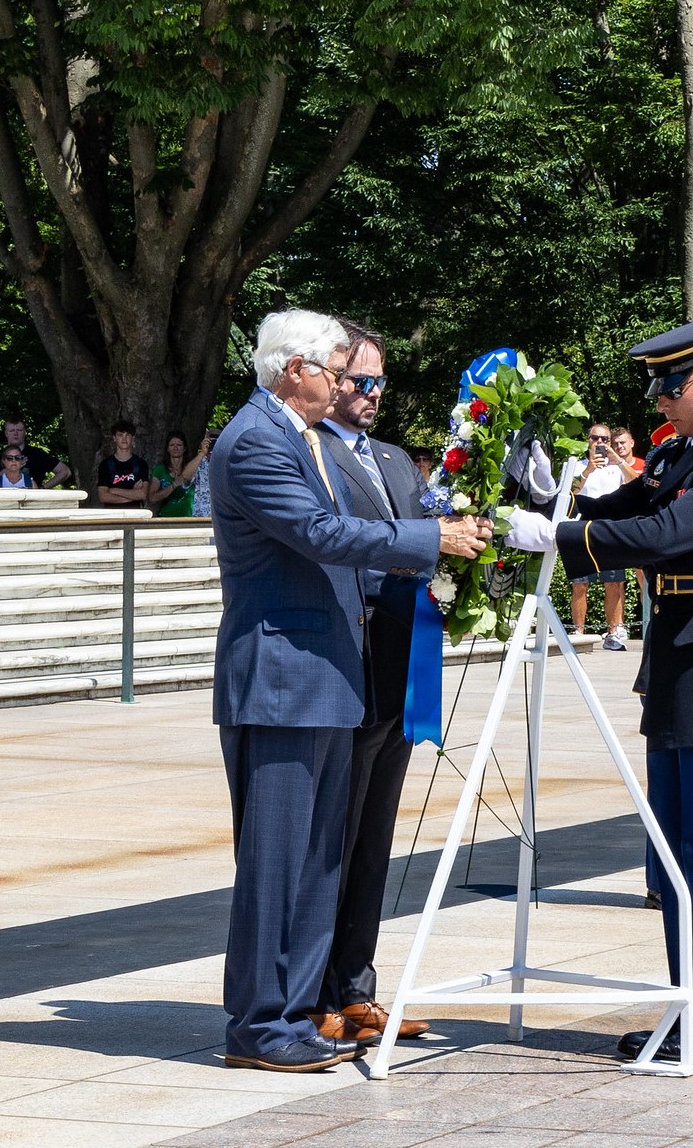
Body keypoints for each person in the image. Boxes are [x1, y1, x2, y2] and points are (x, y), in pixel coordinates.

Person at [506, 313, 693, 1066]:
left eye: (672, 383)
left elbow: (666, 535)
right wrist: (549, 500)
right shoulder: (686, 456)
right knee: (675, 853)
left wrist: (564, 540)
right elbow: (620, 512)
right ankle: (689, 1007)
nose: (660, 398)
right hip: (680, 668)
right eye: (659, 384)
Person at [210, 308, 490, 1073]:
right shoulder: (257, 440)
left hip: (322, 677)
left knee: (318, 861)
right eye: (336, 372)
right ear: (294, 368)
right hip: (282, 681)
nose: (343, 387)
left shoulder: (295, 438)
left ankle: (297, 1012)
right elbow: (321, 534)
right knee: (277, 861)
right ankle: (259, 1023)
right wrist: (432, 540)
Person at [311, 321, 433, 1045]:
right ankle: (319, 990)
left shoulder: (394, 460)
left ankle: (358, 987)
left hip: (399, 674)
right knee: (337, 835)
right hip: (345, 668)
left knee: (376, 840)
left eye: (381, 382)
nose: (373, 394)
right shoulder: (312, 453)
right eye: (360, 381)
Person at [570, 423, 629, 651]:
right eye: (596, 438)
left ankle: (613, 632)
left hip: (609, 527)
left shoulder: (617, 468)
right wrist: (587, 472)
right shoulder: (578, 466)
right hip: (582, 527)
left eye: (605, 440)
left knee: (613, 582)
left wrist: (618, 459)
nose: (601, 443)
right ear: (588, 440)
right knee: (580, 583)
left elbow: (636, 483)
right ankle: (578, 632)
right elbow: (569, 493)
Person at [0, 418, 72, 489]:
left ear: (25, 432)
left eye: (19, 430)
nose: (15, 433)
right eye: (12, 431)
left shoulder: (38, 454)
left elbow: (65, 471)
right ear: (6, 433)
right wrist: (9, 469)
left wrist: (43, 488)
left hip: (32, 502)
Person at [148, 431, 204, 516]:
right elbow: (152, 498)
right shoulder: (160, 470)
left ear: (184, 448)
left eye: (179, 445)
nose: (175, 448)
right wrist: (173, 485)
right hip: (165, 519)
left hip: (190, 519)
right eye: (172, 445)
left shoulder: (192, 468)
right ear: (167, 448)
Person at [96, 421, 149, 507]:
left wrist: (114, 490)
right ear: (114, 438)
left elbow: (142, 494)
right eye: (120, 435)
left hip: (135, 515)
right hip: (112, 515)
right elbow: (103, 496)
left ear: (133, 438)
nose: (124, 439)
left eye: (127, 435)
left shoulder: (141, 464)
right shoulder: (105, 464)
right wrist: (133, 494)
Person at [191, 429, 219, 518]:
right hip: (201, 516)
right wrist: (202, 453)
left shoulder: (227, 461)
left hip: (220, 516)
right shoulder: (199, 462)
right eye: (211, 440)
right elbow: (185, 478)